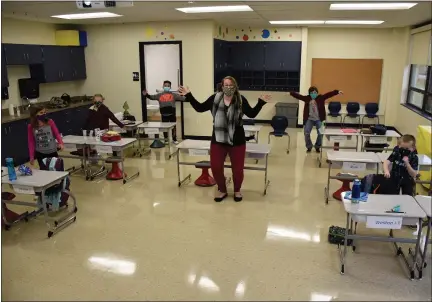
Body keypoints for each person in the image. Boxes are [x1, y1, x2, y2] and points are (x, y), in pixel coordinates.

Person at [178, 76, 271, 202]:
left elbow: (252, 113)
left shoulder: (240, 100)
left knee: (238, 170)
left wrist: (260, 103)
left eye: (231, 85)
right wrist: (189, 95)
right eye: (225, 85)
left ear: (235, 86)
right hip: (218, 140)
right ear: (221, 86)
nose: (228, 87)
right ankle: (222, 190)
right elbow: (199, 108)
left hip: (237, 140)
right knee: (216, 167)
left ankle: (237, 190)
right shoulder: (215, 99)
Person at [290, 86, 342, 152]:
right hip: (309, 119)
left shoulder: (321, 98)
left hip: (319, 119)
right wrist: (291, 93)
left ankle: (317, 146)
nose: (313, 94)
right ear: (309, 93)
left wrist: (337, 92)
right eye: (312, 93)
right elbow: (299, 96)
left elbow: (328, 94)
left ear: (317, 93)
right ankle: (309, 146)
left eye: (315, 92)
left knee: (321, 133)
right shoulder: (307, 98)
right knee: (306, 132)